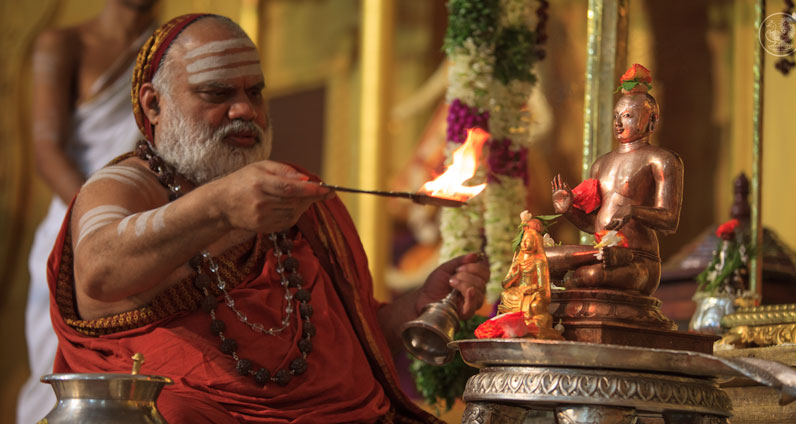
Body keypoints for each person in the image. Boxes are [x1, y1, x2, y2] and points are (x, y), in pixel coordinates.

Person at [47, 14, 488, 423]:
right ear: (154, 105)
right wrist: (221, 208)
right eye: (217, 94)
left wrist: (418, 306)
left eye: (254, 93)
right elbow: (99, 269)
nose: (245, 111)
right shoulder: (124, 186)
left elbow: (353, 345)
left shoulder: (291, 198)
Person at [19, 1, 157, 422]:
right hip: (72, 228)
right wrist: (98, 223)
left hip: (146, 230)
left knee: (132, 372)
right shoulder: (64, 44)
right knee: (57, 375)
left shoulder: (169, 46)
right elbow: (47, 151)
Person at [546, 64, 683, 296]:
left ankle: (583, 272)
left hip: (638, 258)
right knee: (543, 258)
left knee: (591, 276)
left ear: (651, 120)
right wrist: (568, 210)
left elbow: (669, 220)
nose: (618, 123)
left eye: (627, 116)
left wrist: (633, 211)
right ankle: (588, 266)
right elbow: (594, 225)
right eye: (615, 117)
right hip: (604, 253)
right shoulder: (600, 164)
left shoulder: (661, 160)